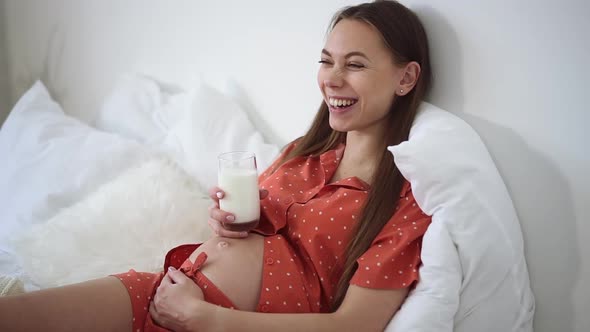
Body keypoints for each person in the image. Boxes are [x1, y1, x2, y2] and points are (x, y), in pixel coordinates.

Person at [0, 1, 433, 331]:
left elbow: (352, 325)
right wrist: (226, 226)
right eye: (326, 60)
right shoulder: (303, 152)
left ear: (406, 78)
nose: (332, 79)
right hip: (167, 291)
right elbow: (247, 240)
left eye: (354, 64)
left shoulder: (406, 200)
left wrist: (205, 317)